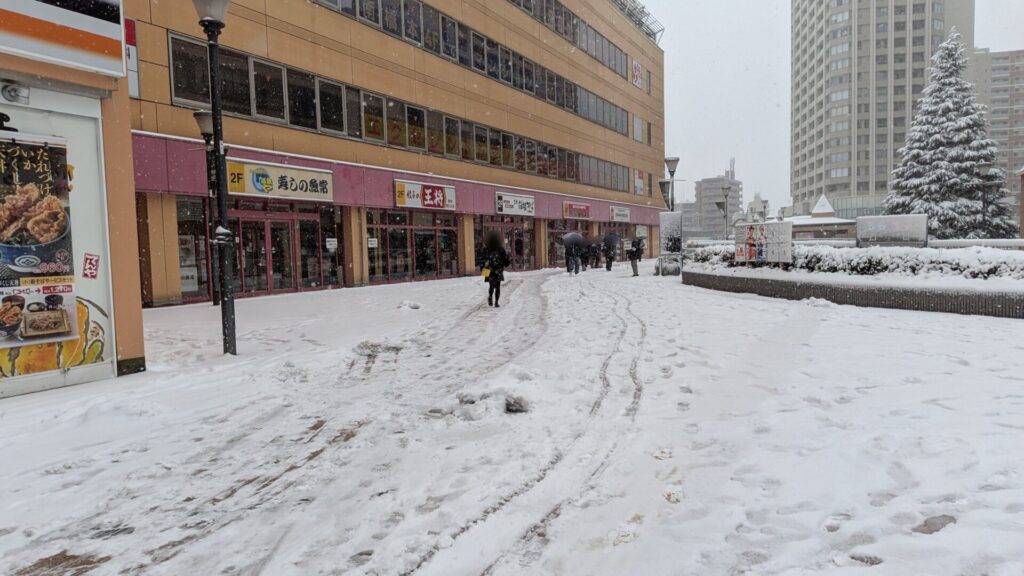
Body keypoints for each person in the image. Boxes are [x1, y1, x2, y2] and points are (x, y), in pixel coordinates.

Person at [481, 231, 511, 307]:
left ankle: (490, 296)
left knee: (491, 285)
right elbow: (506, 260)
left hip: (489, 269)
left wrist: (483, 269)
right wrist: (506, 262)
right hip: (498, 269)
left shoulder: (486, 249)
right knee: (498, 286)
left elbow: (482, 260)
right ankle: (496, 302)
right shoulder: (500, 249)